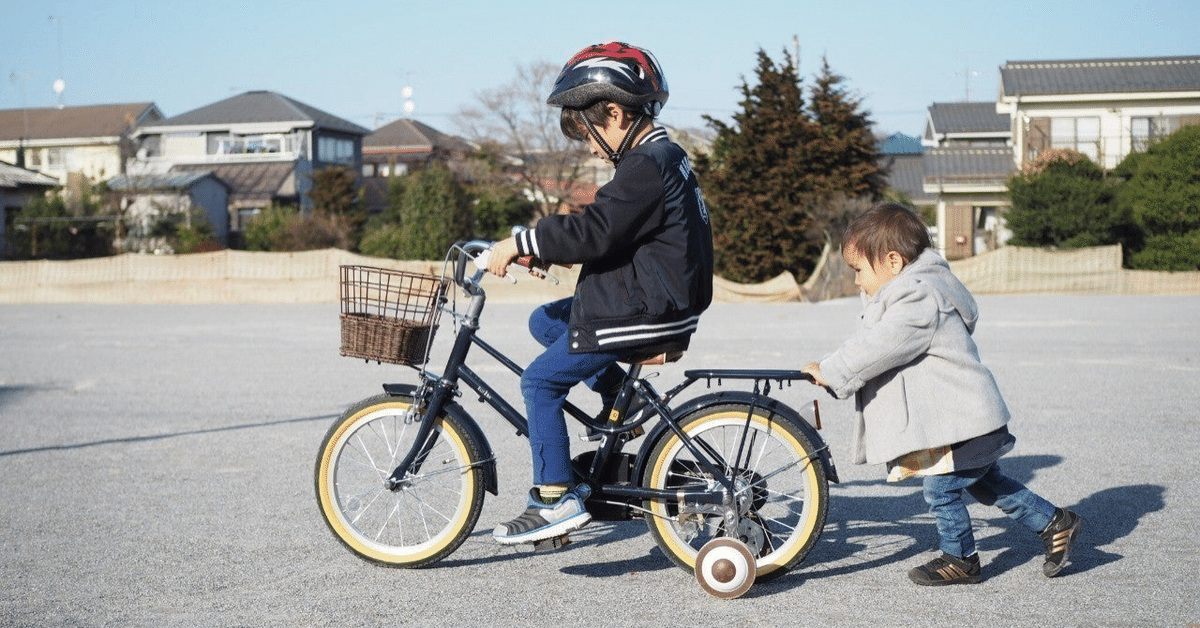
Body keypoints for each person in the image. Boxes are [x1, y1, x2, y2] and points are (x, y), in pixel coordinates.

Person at [485, 42, 714, 546]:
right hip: (653, 298)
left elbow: (597, 230)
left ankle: (553, 498)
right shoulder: (663, 157)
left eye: (588, 134)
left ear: (613, 112)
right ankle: (618, 396)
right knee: (545, 320)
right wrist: (545, 252)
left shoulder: (644, 165)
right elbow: (620, 235)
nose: (589, 148)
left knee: (540, 384)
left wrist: (522, 240)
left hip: (644, 311)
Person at [801, 202, 1082, 585]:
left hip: (964, 422)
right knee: (987, 483)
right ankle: (1055, 522)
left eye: (859, 270)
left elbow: (877, 347)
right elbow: (872, 339)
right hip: (963, 420)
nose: (856, 282)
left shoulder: (916, 298)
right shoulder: (912, 290)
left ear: (894, 262)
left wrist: (832, 371)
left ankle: (961, 559)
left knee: (941, 490)